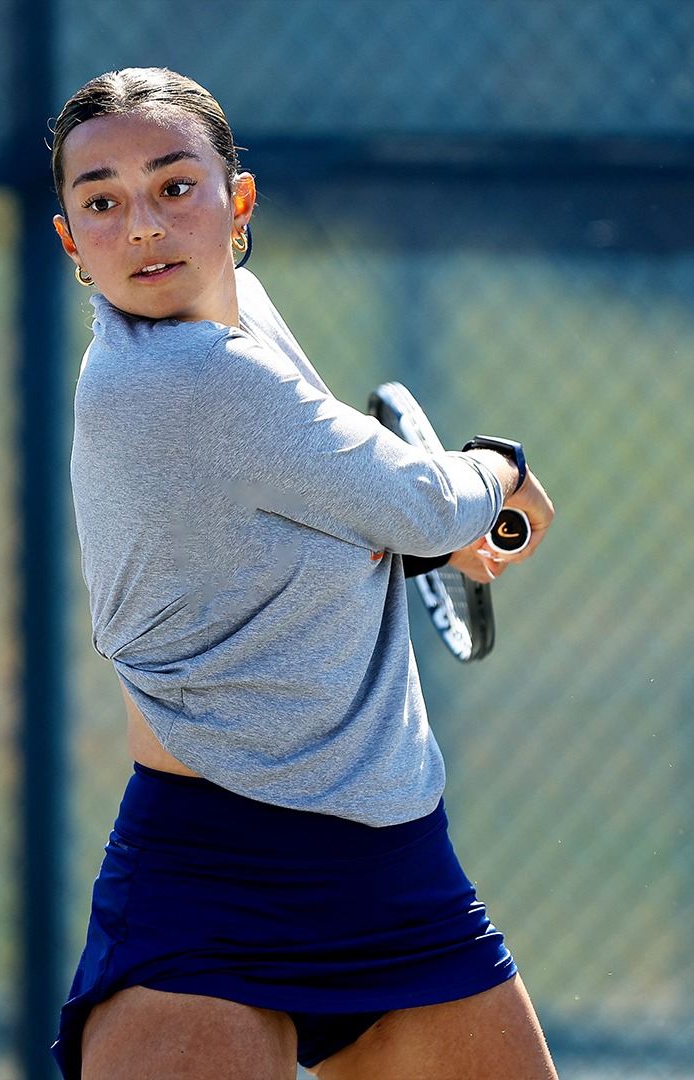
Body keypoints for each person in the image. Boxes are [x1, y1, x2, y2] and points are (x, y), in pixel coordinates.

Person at [48, 68, 559, 1079]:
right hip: (216, 878)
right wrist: (503, 467)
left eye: (173, 186)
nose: (142, 224)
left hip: (395, 862)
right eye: (101, 202)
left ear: (237, 204)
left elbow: (326, 507)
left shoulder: (244, 324)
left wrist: (411, 519)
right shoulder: (185, 379)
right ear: (72, 245)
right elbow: (424, 503)